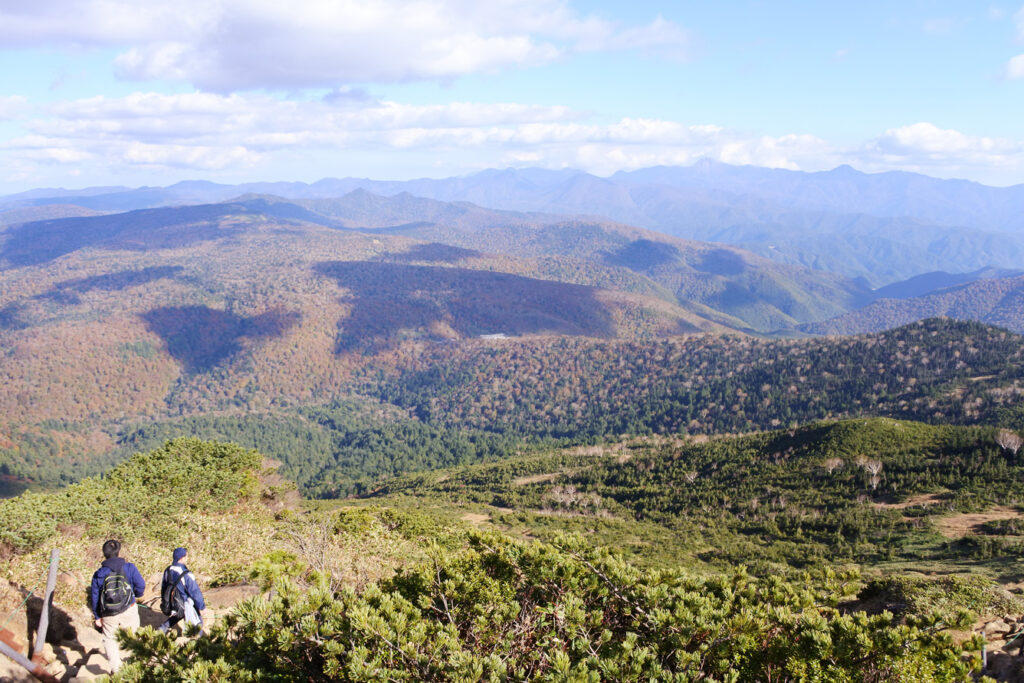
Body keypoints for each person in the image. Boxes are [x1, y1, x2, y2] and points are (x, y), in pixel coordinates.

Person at [90, 539, 145, 674]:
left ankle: (117, 669)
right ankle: (135, 665)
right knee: (133, 635)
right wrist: (136, 595)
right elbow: (141, 585)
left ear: (104, 554)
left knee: (109, 639)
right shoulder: (129, 567)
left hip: (108, 613)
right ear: (118, 552)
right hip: (129, 607)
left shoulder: (99, 574)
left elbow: (95, 597)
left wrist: (98, 616)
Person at [159, 547, 205, 635]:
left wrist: (165, 602)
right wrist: (202, 607)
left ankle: (162, 629)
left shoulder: (168, 570)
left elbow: (164, 587)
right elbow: (195, 592)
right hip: (184, 603)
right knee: (198, 620)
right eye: (186, 556)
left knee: (178, 614)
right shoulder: (186, 574)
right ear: (182, 558)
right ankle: (199, 640)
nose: (187, 558)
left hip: (173, 603)